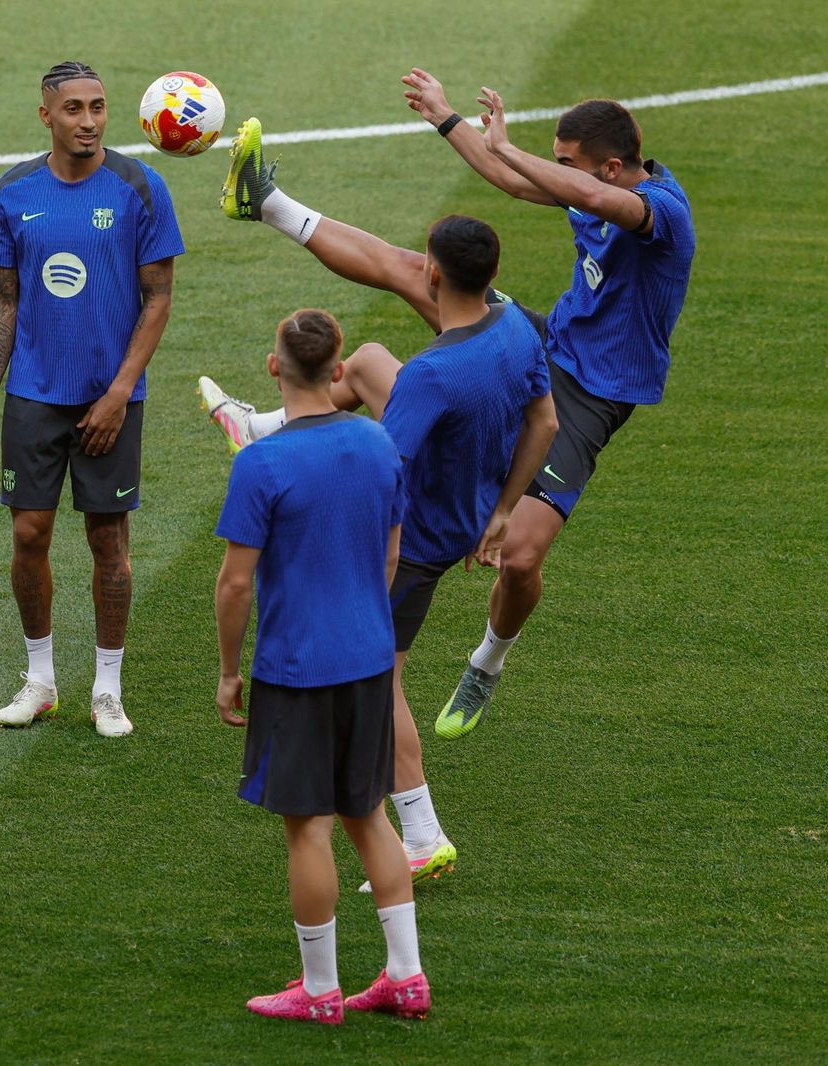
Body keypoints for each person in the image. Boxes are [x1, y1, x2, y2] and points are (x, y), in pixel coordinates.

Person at [212, 122, 559, 887]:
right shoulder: (515, 326)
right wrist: (503, 511)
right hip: (471, 506)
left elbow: (379, 470)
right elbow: (546, 423)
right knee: (369, 360)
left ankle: (424, 834)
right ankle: (258, 424)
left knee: (382, 679)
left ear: (431, 271)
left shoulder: (433, 376)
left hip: (422, 540)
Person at [405, 73, 695, 739]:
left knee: (520, 557)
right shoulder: (594, 186)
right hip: (549, 343)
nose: (559, 172)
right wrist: (446, 117)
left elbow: (585, 194)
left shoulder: (660, 212)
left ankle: (487, 661)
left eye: (567, 161)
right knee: (407, 271)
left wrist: (508, 147)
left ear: (613, 167)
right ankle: (271, 207)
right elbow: (511, 180)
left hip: (595, 395)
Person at [214, 309, 429, 1023]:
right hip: (368, 661)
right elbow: (391, 554)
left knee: (308, 827)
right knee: (368, 815)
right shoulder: (378, 443)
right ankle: (406, 976)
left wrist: (228, 671)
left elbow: (235, 584)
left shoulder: (260, 464)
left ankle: (319, 989)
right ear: (339, 371)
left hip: (297, 669)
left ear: (274, 367)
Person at [0, 61, 182, 737]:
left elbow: (158, 298)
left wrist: (119, 392)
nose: (89, 121)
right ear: (46, 116)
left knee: (107, 539)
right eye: (74, 109)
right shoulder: (13, 192)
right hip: (34, 394)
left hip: (111, 399)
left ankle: (107, 690)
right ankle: (40, 681)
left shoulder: (140, 187)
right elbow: (4, 301)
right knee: (29, 534)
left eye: (98, 107)